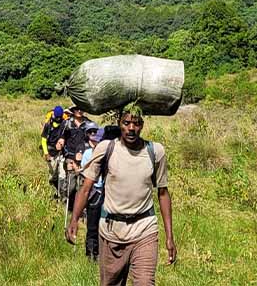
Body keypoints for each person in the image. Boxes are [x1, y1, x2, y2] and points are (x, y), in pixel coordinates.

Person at [67, 105, 175, 285]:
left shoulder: (155, 151)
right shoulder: (106, 148)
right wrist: (74, 219)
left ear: (142, 125)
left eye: (136, 123)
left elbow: (163, 193)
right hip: (111, 231)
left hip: (144, 229)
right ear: (119, 123)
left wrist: (170, 236)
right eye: (126, 123)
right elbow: (86, 188)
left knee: (145, 282)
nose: (131, 128)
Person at [78, 123, 106, 261]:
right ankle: (91, 254)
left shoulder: (109, 153)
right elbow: (83, 173)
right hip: (93, 191)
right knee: (92, 224)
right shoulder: (88, 154)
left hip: (106, 192)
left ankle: (102, 253)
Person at [41, 105, 68, 197]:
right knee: (52, 176)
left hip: (61, 154)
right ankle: (53, 192)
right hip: (51, 153)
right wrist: (46, 153)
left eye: (59, 117)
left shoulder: (65, 124)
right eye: (57, 117)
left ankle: (61, 196)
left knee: (62, 175)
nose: (58, 118)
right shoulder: (48, 124)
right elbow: (43, 140)